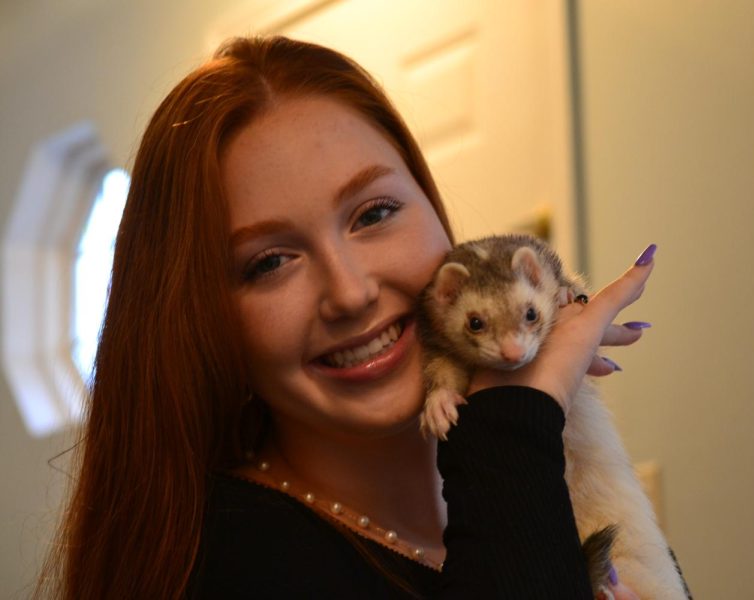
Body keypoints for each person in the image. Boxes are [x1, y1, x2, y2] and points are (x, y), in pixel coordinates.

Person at [41, 36, 661, 599]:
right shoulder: (231, 567)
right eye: (269, 262)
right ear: (206, 321)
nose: (350, 292)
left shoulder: (540, 480)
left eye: (373, 213)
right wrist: (514, 416)